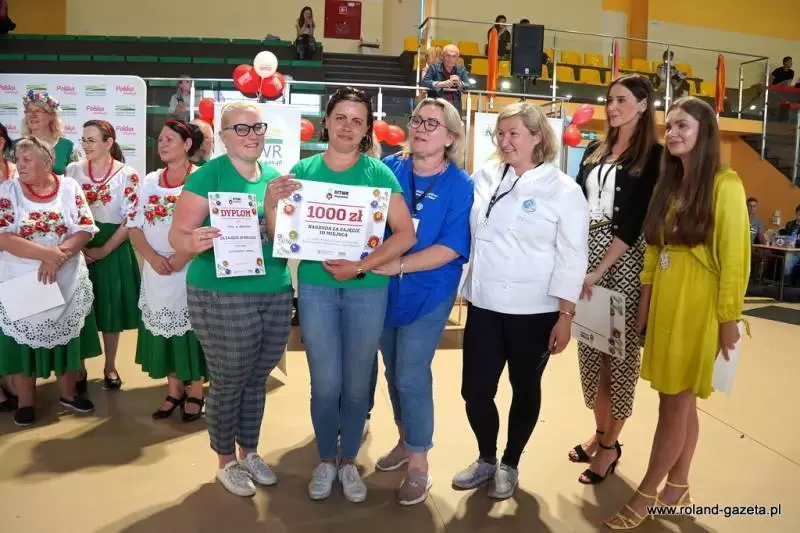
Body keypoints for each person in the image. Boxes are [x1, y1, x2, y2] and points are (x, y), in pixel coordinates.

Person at [603, 97, 750, 529]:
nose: (672, 134)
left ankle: (646, 492)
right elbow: (654, 250)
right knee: (681, 403)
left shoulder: (725, 184)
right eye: (669, 127)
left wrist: (728, 319)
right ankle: (678, 485)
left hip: (699, 305)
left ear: (705, 133)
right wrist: (645, 306)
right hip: (668, 300)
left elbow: (735, 259)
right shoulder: (670, 183)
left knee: (674, 404)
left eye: (683, 126)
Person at [271, 87, 415, 503]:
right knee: (325, 382)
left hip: (367, 291)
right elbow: (283, 236)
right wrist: (271, 202)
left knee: (355, 383)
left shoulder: (379, 175)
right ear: (327, 122)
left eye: (357, 121)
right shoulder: (303, 171)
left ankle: (348, 460)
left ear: (367, 128)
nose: (348, 127)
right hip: (316, 288)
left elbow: (405, 234)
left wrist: (361, 266)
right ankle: (325, 459)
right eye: (341, 118)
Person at [455, 102, 589, 499]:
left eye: (514, 133)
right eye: (500, 133)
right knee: (475, 390)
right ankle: (486, 458)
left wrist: (566, 315)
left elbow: (573, 255)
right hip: (484, 304)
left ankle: (510, 462)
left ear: (537, 137)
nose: (505, 141)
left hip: (535, 311)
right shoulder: (484, 177)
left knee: (525, 387)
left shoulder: (563, 190)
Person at [170, 102, 293, 497]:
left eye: (257, 128)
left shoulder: (273, 178)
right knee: (229, 379)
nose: (251, 135)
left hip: (274, 290)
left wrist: (275, 207)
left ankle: (249, 451)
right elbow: (177, 234)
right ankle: (226, 461)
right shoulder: (209, 176)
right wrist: (191, 241)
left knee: (257, 378)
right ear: (223, 136)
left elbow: (283, 236)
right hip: (221, 293)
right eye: (241, 129)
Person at [372, 97, 473, 505]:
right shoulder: (390, 168)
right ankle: (404, 440)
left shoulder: (460, 184)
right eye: (417, 120)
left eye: (433, 123)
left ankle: (419, 465)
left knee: (412, 373)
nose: (420, 128)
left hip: (429, 289)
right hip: (383, 288)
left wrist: (397, 265)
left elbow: (451, 247)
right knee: (393, 369)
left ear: (450, 137)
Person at [570, 74, 662, 485]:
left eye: (622, 100)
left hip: (622, 259)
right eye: (609, 100)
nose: (612, 107)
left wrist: (599, 268)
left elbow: (636, 218)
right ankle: (600, 431)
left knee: (618, 358)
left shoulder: (655, 156)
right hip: (585, 255)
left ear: (643, 105)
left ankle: (610, 447)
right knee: (591, 352)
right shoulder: (595, 149)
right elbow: (575, 203)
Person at [0, 137, 101, 426]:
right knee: (22, 342)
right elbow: (3, 236)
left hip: (65, 277)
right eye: (18, 160)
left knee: (67, 336)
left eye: (27, 159)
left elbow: (84, 228)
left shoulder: (69, 187)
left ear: (46, 163)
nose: (20, 165)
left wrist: (57, 257)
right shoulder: (8, 190)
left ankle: (68, 393)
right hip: (21, 280)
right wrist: (47, 254)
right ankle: (25, 402)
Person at [128, 118, 207, 421]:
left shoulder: (200, 179)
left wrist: (182, 257)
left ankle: (196, 390)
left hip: (190, 267)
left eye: (169, 139)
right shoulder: (149, 181)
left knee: (192, 329)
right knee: (162, 329)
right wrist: (151, 257)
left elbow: (208, 226)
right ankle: (174, 389)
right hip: (156, 269)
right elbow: (134, 226)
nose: (162, 145)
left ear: (187, 145)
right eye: (160, 139)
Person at [65, 120, 141, 392]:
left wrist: (104, 250)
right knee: (79, 309)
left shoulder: (127, 174)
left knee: (111, 310)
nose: (86, 145)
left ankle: (110, 366)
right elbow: (67, 212)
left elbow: (130, 218)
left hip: (113, 245)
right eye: (83, 139)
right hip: (79, 244)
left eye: (92, 140)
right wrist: (78, 247)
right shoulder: (73, 170)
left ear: (108, 143)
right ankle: (79, 367)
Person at [21, 90, 78, 175]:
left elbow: (75, 178)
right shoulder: (17, 146)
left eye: (38, 111)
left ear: (52, 116)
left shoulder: (68, 146)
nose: (32, 115)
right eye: (29, 111)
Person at [421, 44, 472, 117]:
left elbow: (469, 85)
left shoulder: (461, 69)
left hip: (454, 106)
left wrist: (459, 83)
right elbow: (425, 82)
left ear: (457, 58)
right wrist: (442, 84)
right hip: (437, 104)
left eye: (454, 56)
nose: (451, 58)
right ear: (443, 56)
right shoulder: (434, 67)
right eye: (448, 55)